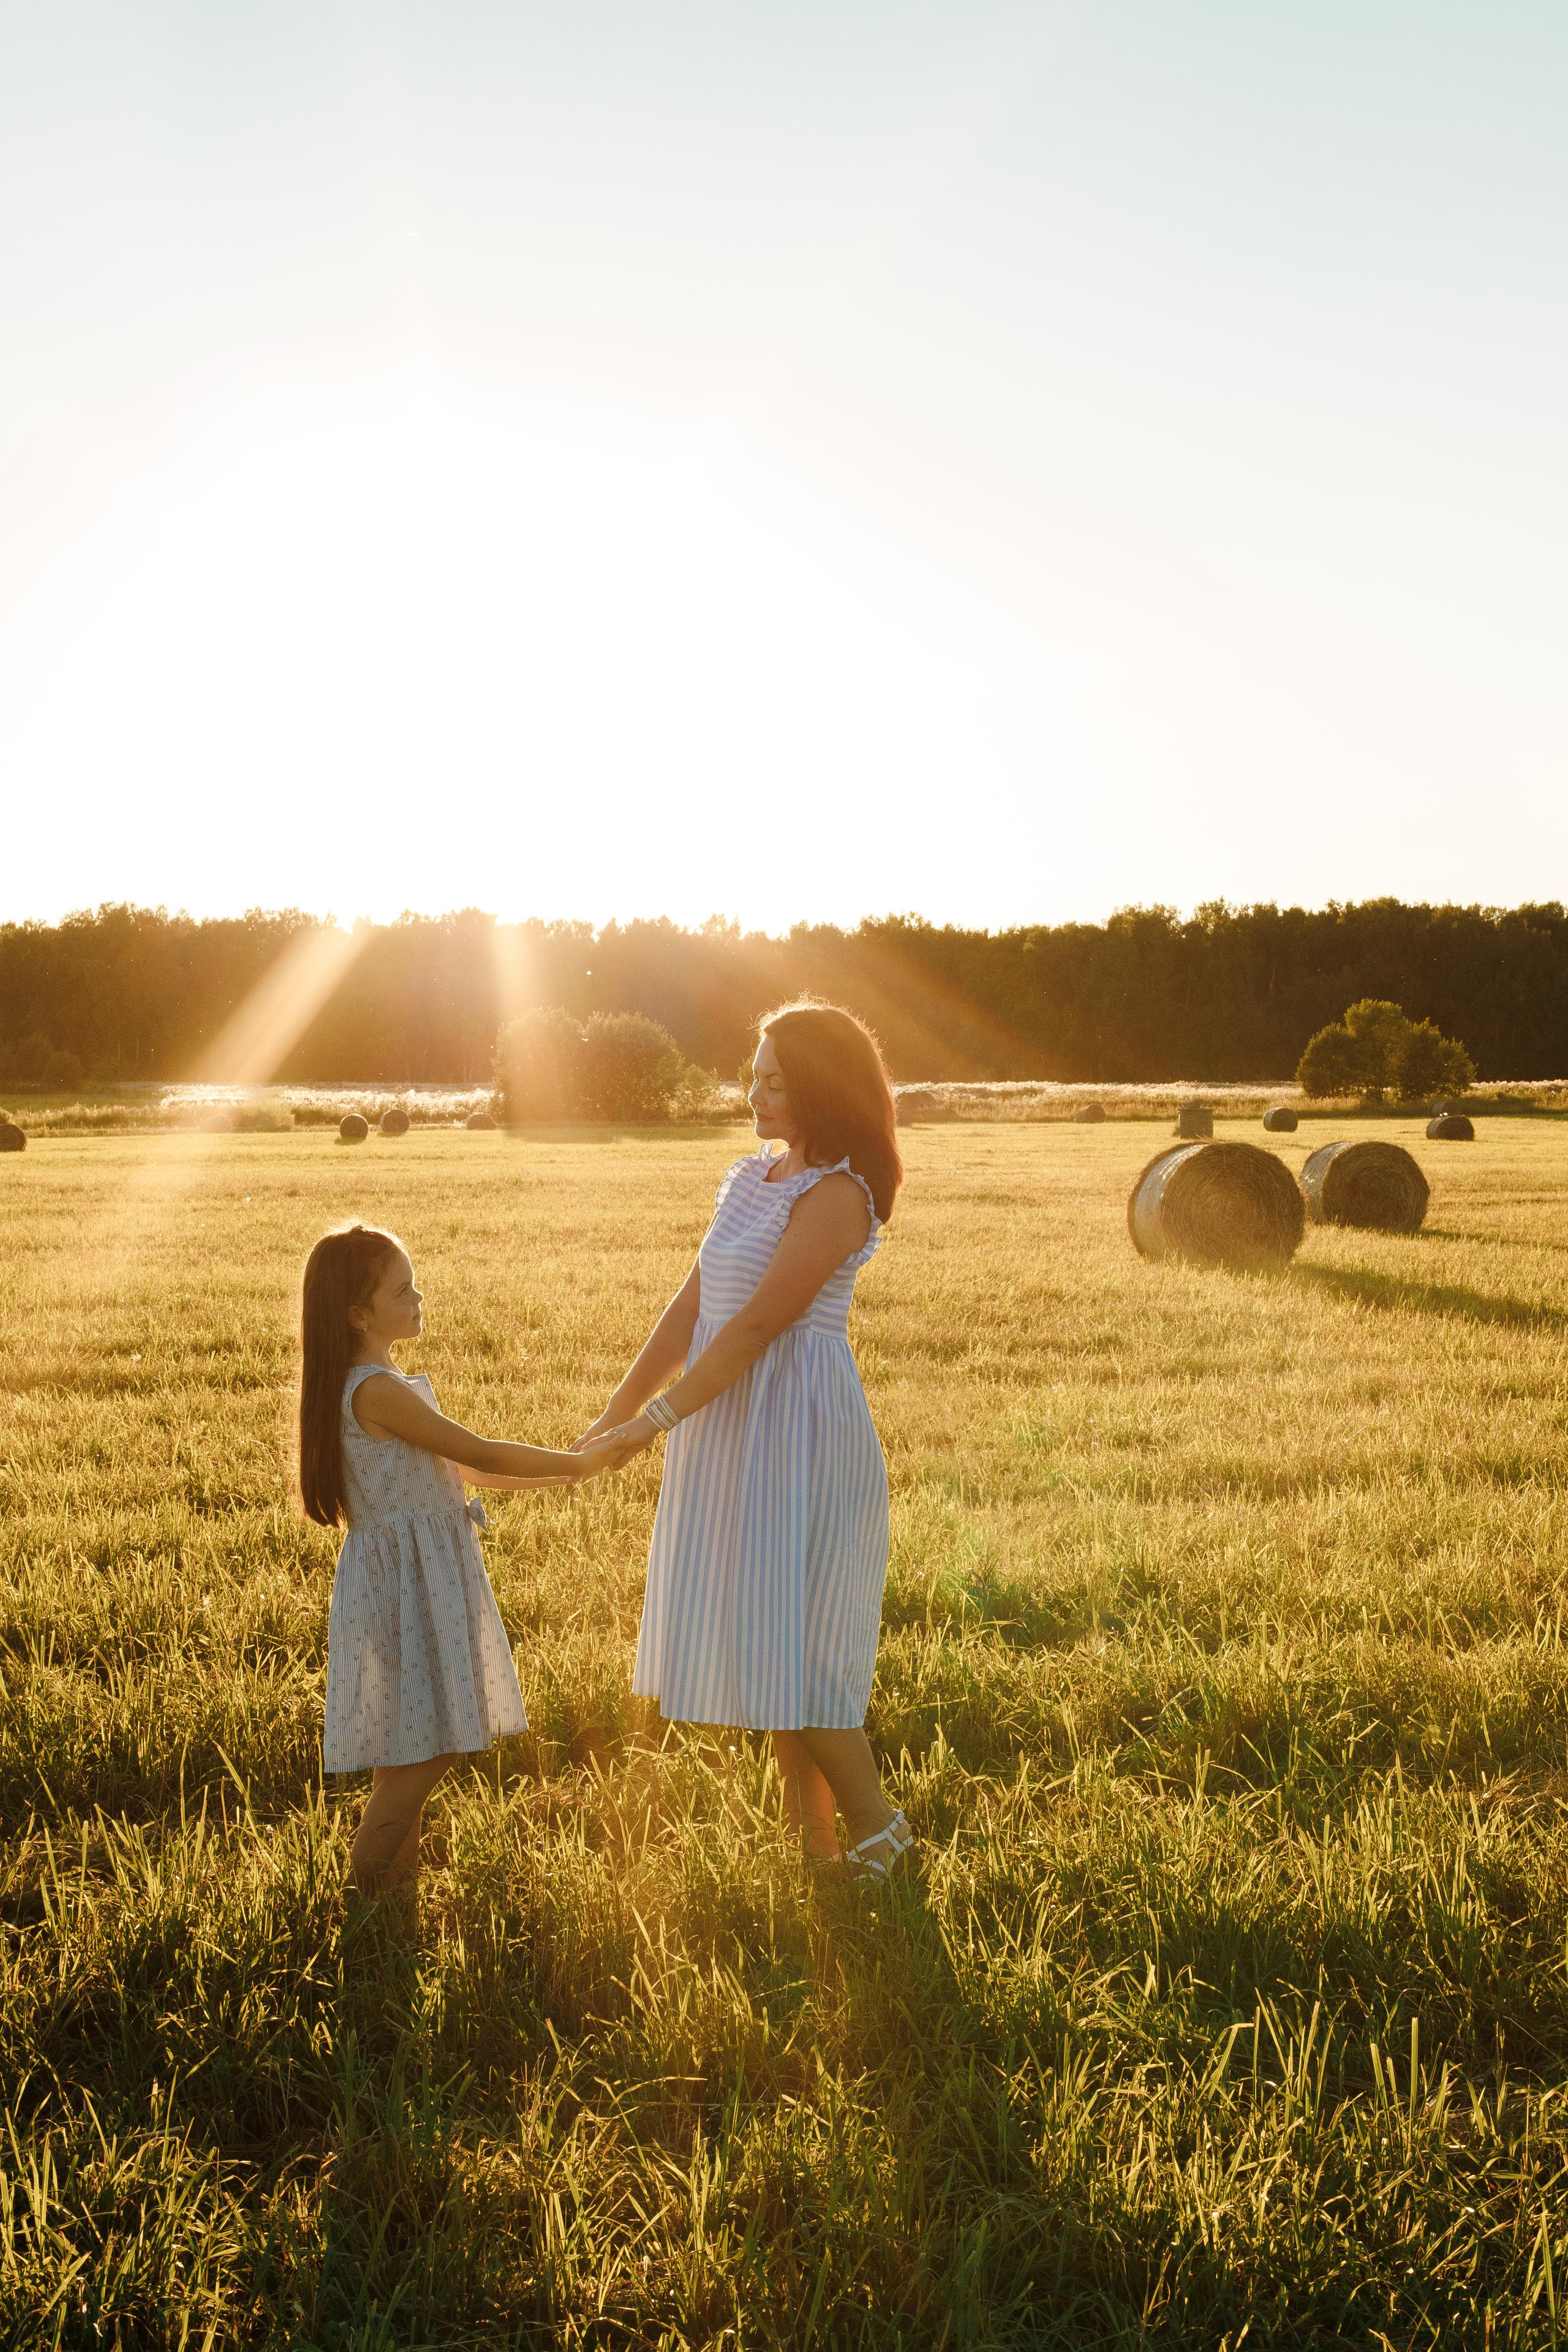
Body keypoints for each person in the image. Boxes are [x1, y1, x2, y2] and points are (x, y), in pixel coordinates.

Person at [576, 1000, 913, 1879]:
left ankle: (883, 1833)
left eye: (774, 1079)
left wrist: (653, 1426)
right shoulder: (744, 1179)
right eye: (753, 1074)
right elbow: (691, 1309)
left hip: (797, 1429)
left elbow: (760, 1325)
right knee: (767, 1644)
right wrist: (614, 1415)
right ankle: (820, 1856)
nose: (753, 1091)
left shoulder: (840, 1195)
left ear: (820, 1089)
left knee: (798, 1648)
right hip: (725, 1419)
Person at [298, 1223, 625, 1894]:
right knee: (437, 1742)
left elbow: (464, 1474)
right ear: (358, 1315)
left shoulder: (379, 1381)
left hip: (404, 1575)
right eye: (403, 1289)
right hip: (408, 1582)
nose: (419, 1297)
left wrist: (569, 1475)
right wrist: (579, 1461)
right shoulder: (375, 1390)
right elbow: (481, 1451)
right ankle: (361, 1898)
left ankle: (393, 1900)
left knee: (406, 1748)